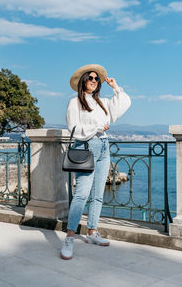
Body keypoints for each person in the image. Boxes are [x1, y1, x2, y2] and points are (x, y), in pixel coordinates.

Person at [60, 64, 131, 260]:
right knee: (82, 194)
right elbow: (73, 126)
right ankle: (70, 236)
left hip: (104, 145)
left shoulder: (102, 102)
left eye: (96, 78)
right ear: (83, 81)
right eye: (90, 77)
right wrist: (98, 125)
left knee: (98, 194)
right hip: (86, 146)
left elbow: (124, 104)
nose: (94, 80)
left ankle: (92, 232)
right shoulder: (75, 102)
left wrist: (116, 87)